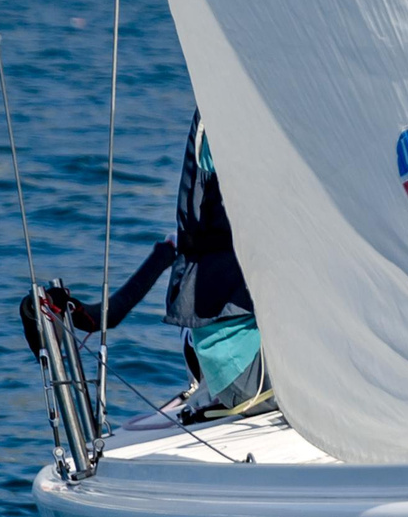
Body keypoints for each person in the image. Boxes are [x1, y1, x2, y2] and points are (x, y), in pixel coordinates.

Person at [26, 111, 269, 421]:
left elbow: (109, 315)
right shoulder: (241, 132)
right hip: (248, 375)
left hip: (224, 368)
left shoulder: (213, 123)